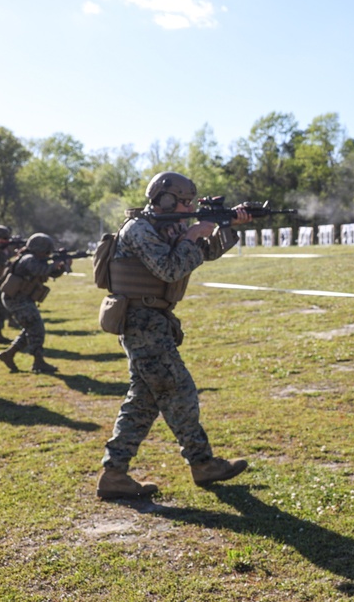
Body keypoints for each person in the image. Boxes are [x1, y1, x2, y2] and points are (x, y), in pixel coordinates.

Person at [96, 172, 252, 500]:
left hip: (155, 321)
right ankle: (202, 463)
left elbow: (204, 252)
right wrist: (196, 231)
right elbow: (171, 269)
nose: (189, 208)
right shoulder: (138, 229)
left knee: (144, 401)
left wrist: (225, 227)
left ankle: (114, 474)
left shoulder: (171, 225)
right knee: (179, 390)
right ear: (165, 199)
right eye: (184, 202)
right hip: (140, 322)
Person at [0, 233, 70, 373]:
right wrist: (55, 263)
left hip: (20, 298)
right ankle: (38, 362)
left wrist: (61, 266)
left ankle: (9, 354)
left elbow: (51, 273)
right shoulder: (29, 259)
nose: (48, 253)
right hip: (16, 300)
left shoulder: (34, 259)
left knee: (31, 329)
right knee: (37, 329)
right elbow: (42, 270)